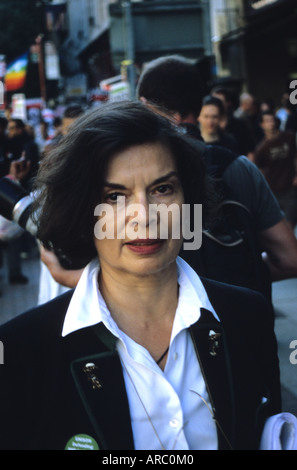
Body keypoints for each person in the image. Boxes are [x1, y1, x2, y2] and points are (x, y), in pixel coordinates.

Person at [0, 101, 281, 450]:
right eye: (114, 196)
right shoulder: (21, 350)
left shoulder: (247, 316)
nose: (144, 216)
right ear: (81, 211)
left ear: (188, 199)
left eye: (162, 189)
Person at [136, 55, 297, 295]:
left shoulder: (130, 170)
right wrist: (241, 276)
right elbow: (290, 259)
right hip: (241, 323)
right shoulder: (238, 167)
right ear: (200, 106)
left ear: (144, 104)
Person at [253, 111, 297, 229]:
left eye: (272, 120)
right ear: (261, 125)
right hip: (273, 190)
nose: (270, 123)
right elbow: (260, 171)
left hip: (290, 187)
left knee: (290, 224)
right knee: (278, 227)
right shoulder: (261, 148)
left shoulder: (289, 137)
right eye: (267, 121)